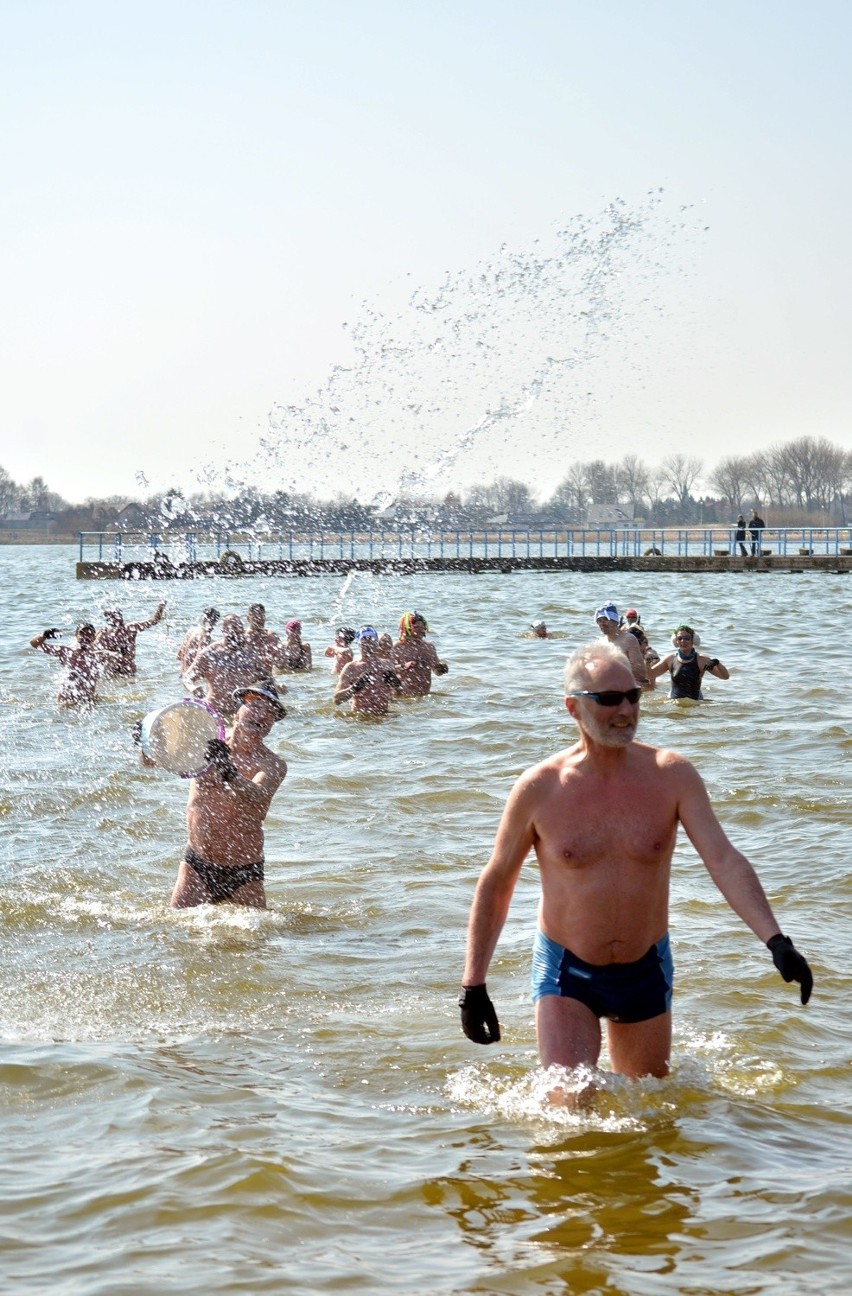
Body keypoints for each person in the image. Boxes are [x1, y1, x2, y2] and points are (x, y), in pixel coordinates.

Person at [458, 640, 813, 1100]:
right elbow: (497, 881)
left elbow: (723, 859)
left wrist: (776, 941)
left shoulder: (671, 774)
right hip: (567, 969)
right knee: (568, 1103)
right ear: (573, 708)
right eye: (609, 699)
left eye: (633, 696)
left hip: (645, 968)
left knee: (648, 1108)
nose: (626, 709)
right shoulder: (539, 788)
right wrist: (474, 984)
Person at [144, 681, 288, 909]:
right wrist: (145, 743)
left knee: (256, 942)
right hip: (197, 863)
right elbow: (155, 762)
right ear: (237, 709)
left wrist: (228, 772)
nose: (262, 715)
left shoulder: (273, 764)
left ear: (272, 724)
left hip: (244, 870)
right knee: (176, 932)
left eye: (270, 712)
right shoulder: (206, 741)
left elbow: (258, 797)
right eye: (256, 705)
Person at [187, 614, 273, 716]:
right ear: (223, 630)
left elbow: (266, 677)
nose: (238, 633)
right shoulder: (210, 653)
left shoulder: (251, 654)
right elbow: (187, 678)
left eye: (240, 629)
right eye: (234, 629)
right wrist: (193, 688)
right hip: (215, 711)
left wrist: (274, 688)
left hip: (241, 712)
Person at [334, 626, 403, 716]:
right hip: (361, 717)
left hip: (383, 717)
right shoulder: (351, 667)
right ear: (358, 643)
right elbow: (337, 700)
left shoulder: (387, 665)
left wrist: (396, 684)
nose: (368, 642)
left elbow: (398, 695)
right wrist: (355, 687)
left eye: (371, 638)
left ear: (377, 643)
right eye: (364, 639)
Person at [648, 625, 729, 699]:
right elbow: (649, 675)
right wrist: (647, 661)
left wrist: (717, 663)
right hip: (674, 701)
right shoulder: (670, 659)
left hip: (696, 701)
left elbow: (725, 677)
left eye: (687, 638)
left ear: (693, 640)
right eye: (680, 638)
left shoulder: (702, 660)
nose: (683, 641)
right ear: (676, 641)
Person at [30, 623, 100, 706]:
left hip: (88, 701)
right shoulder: (66, 652)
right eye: (82, 633)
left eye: (89, 634)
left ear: (94, 637)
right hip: (66, 701)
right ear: (76, 635)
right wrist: (45, 635)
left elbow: (116, 656)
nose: (85, 636)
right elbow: (34, 644)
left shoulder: (98, 655)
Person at [95, 601, 167, 678]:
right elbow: (92, 650)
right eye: (114, 616)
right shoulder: (103, 633)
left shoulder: (130, 628)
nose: (118, 618)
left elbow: (154, 620)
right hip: (111, 671)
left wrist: (160, 607)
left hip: (128, 670)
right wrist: (107, 652)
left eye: (118, 615)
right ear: (108, 619)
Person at [392, 611, 449, 697]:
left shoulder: (429, 647)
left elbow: (436, 672)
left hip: (425, 695)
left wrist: (441, 669)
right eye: (416, 627)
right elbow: (386, 670)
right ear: (407, 628)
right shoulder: (398, 647)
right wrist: (403, 666)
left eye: (422, 627)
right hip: (404, 696)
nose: (420, 629)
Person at [594, 602, 649, 687]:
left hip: (626, 688)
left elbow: (641, 674)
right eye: (599, 620)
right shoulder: (600, 643)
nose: (602, 623)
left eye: (605, 619)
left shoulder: (628, 639)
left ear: (615, 621)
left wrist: (616, 665)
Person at [245, 603, 287, 675]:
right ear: (248, 618)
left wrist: (274, 659)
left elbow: (282, 664)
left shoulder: (271, 636)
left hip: (265, 678)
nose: (259, 620)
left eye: (261, 616)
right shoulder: (243, 637)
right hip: (246, 678)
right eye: (256, 617)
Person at [177, 607, 220, 676]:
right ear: (213, 622)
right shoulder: (205, 636)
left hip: (182, 674)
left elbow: (179, 655)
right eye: (214, 623)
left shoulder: (191, 631)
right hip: (191, 677)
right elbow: (200, 659)